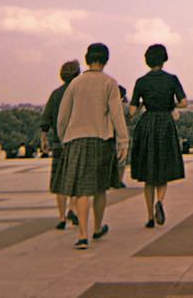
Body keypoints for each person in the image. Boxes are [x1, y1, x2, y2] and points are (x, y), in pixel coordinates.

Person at [55, 43, 128, 250]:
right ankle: (97, 227)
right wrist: (123, 141)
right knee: (99, 188)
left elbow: (63, 116)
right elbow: (116, 115)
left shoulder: (76, 83)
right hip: (101, 140)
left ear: (87, 58)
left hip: (76, 140)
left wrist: (64, 137)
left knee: (81, 190)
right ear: (105, 59)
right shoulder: (109, 83)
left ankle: (82, 235)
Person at [129, 44, 187, 228]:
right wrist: (171, 106)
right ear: (164, 59)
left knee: (148, 173)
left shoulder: (141, 81)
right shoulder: (172, 80)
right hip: (165, 122)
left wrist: (140, 106)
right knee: (162, 168)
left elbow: (132, 111)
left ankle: (149, 217)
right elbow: (184, 102)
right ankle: (160, 201)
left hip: (148, 123)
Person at [40, 59, 81, 229]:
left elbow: (46, 118)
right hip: (77, 140)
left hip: (58, 141)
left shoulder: (55, 94)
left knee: (59, 180)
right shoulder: (79, 93)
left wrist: (43, 137)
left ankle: (61, 217)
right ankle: (73, 207)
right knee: (77, 179)